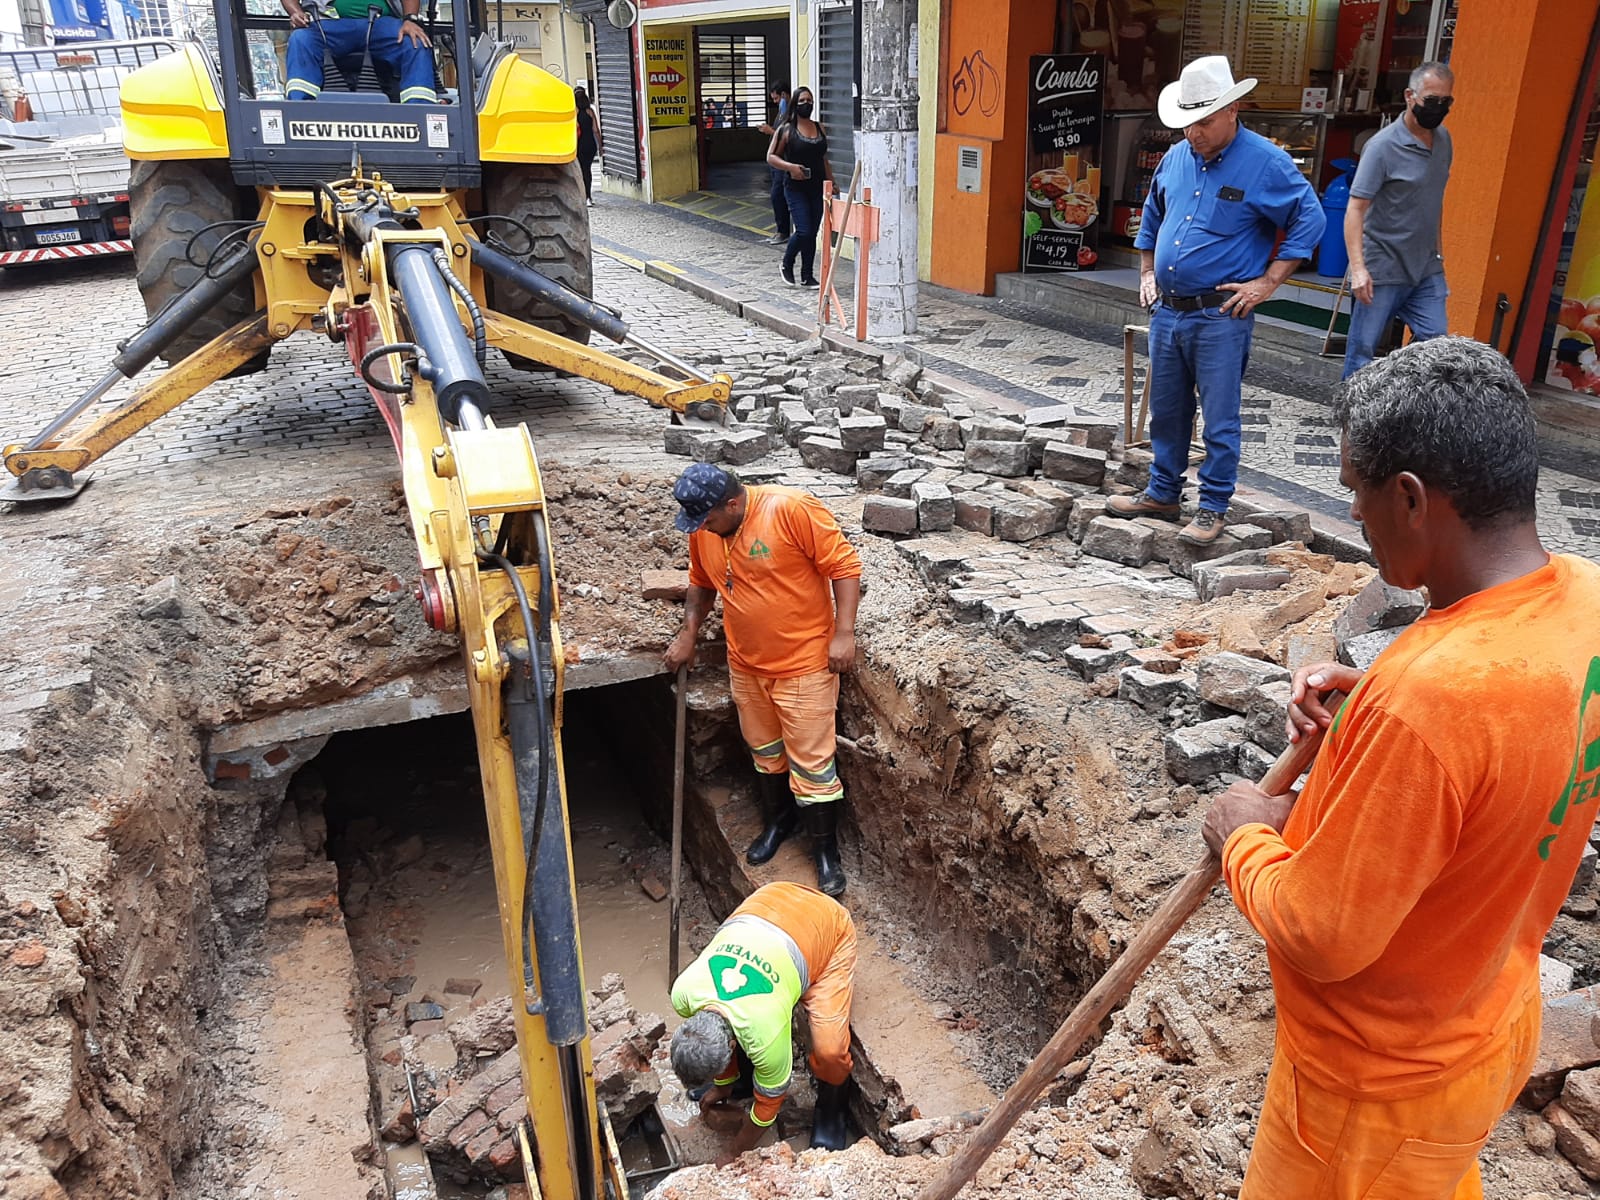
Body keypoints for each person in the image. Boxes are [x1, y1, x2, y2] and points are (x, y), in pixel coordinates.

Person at [1200, 336, 1600, 1200]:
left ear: (1412, 498)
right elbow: (1507, 747)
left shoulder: (1436, 702)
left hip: (1374, 1086)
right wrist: (1369, 706)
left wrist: (1244, 836)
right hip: (1487, 1015)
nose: (1353, 514)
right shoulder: (1581, 599)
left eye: (1356, 490)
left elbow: (1321, 934)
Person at [1109, 56, 1323, 544]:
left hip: (1221, 314)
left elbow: (1309, 218)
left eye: (1204, 121)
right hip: (1169, 309)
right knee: (1166, 410)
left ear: (1232, 110)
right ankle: (1163, 492)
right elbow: (1154, 212)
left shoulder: (1266, 161)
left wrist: (1267, 283)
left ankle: (1212, 506)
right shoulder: (1176, 157)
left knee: (1219, 418)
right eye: (1187, 123)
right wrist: (1145, 269)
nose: (1194, 133)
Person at [663, 464, 861, 896]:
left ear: (732, 504)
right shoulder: (707, 528)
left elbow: (844, 566)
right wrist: (688, 635)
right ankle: (779, 822)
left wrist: (843, 634)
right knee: (765, 752)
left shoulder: (791, 510)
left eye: (709, 519)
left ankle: (825, 853)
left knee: (812, 765)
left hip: (803, 665)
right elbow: (700, 583)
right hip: (746, 665)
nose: (703, 529)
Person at [669, 881, 857, 1160]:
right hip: (769, 901)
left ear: (733, 1046)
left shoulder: (765, 1035)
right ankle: (741, 1078)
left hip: (827, 927)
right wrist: (723, 1085)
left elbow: (769, 1107)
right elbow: (725, 1034)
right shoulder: (683, 993)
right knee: (743, 1036)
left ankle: (832, 1108)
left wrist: (735, 1151)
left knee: (830, 1052)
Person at [1341, 62, 1456, 379]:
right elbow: (1355, 209)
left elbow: (1435, 199)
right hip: (1383, 267)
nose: (1439, 108)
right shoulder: (1381, 147)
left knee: (1436, 347)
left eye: (1446, 102)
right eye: (1432, 100)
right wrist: (1359, 269)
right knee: (1362, 352)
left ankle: (1405, 408)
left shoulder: (1443, 140)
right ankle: (1352, 423)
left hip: (1426, 268)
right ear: (1410, 96)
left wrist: (1439, 253)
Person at [281, 0, 436, 105]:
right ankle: (299, 112)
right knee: (301, 39)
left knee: (415, 42)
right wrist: (296, 12)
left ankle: (420, 114)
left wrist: (410, 19)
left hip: (381, 23)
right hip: (328, 24)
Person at [765, 86, 833, 289]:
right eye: (802, 100)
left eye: (810, 100)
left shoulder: (820, 127)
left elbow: (824, 158)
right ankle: (787, 262)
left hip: (817, 187)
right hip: (795, 187)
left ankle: (807, 275)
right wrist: (790, 167)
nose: (807, 104)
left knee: (812, 232)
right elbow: (771, 157)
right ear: (795, 103)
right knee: (803, 230)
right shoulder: (786, 129)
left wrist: (832, 182)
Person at [758, 82, 792, 247]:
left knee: (778, 195)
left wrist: (770, 131)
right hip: (775, 162)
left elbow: (786, 135)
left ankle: (784, 231)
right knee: (778, 196)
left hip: (784, 161)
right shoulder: (781, 112)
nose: (777, 102)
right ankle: (781, 229)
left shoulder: (791, 114)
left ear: (785, 95)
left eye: (777, 98)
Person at [574, 84, 600, 207]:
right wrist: (600, 146)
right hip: (590, 145)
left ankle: (581, 196)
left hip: (578, 145)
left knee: (578, 171)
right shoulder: (590, 111)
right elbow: (595, 129)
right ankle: (588, 197)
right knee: (587, 170)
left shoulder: (573, 112)